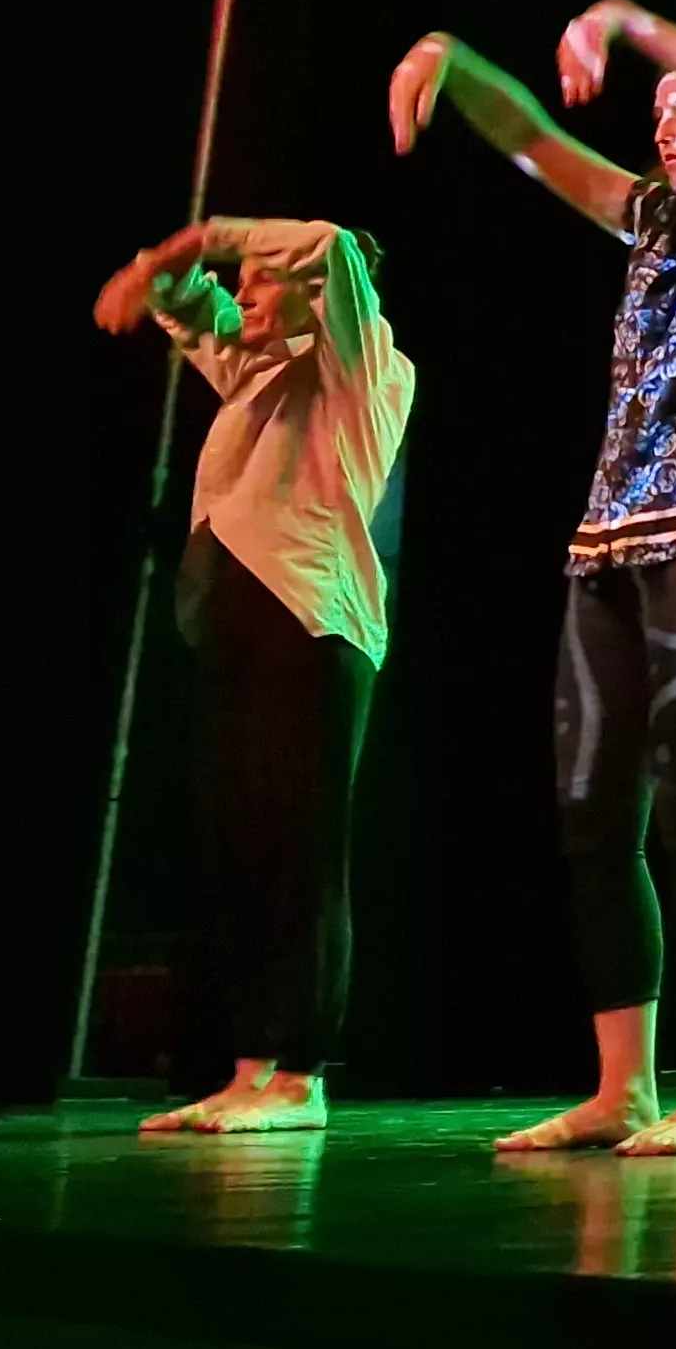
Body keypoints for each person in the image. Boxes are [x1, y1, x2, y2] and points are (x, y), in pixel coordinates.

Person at [388, 0, 676, 1156]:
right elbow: (536, 143)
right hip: (610, 537)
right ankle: (623, 1086)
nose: (667, 124)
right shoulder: (653, 219)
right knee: (594, 816)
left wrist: (630, 23)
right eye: (659, 112)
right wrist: (454, 61)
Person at [94, 217, 416, 1135]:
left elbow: (328, 246)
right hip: (233, 630)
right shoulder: (258, 370)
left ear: (317, 298)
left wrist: (191, 242)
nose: (245, 293)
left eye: (262, 281)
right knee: (238, 850)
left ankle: (300, 1076)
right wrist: (157, 275)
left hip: (310, 627)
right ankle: (249, 1070)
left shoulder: (366, 365)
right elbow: (184, 307)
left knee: (298, 853)